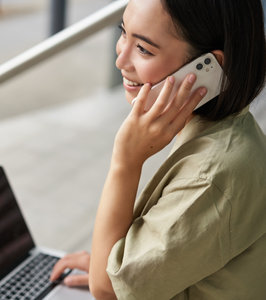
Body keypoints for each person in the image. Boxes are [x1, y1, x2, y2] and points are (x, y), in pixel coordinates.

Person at [50, 0, 266, 299]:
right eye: (123, 32)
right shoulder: (229, 129)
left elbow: (106, 289)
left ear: (209, 66)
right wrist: (117, 261)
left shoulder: (211, 176)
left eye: (144, 49)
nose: (121, 60)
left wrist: (125, 162)